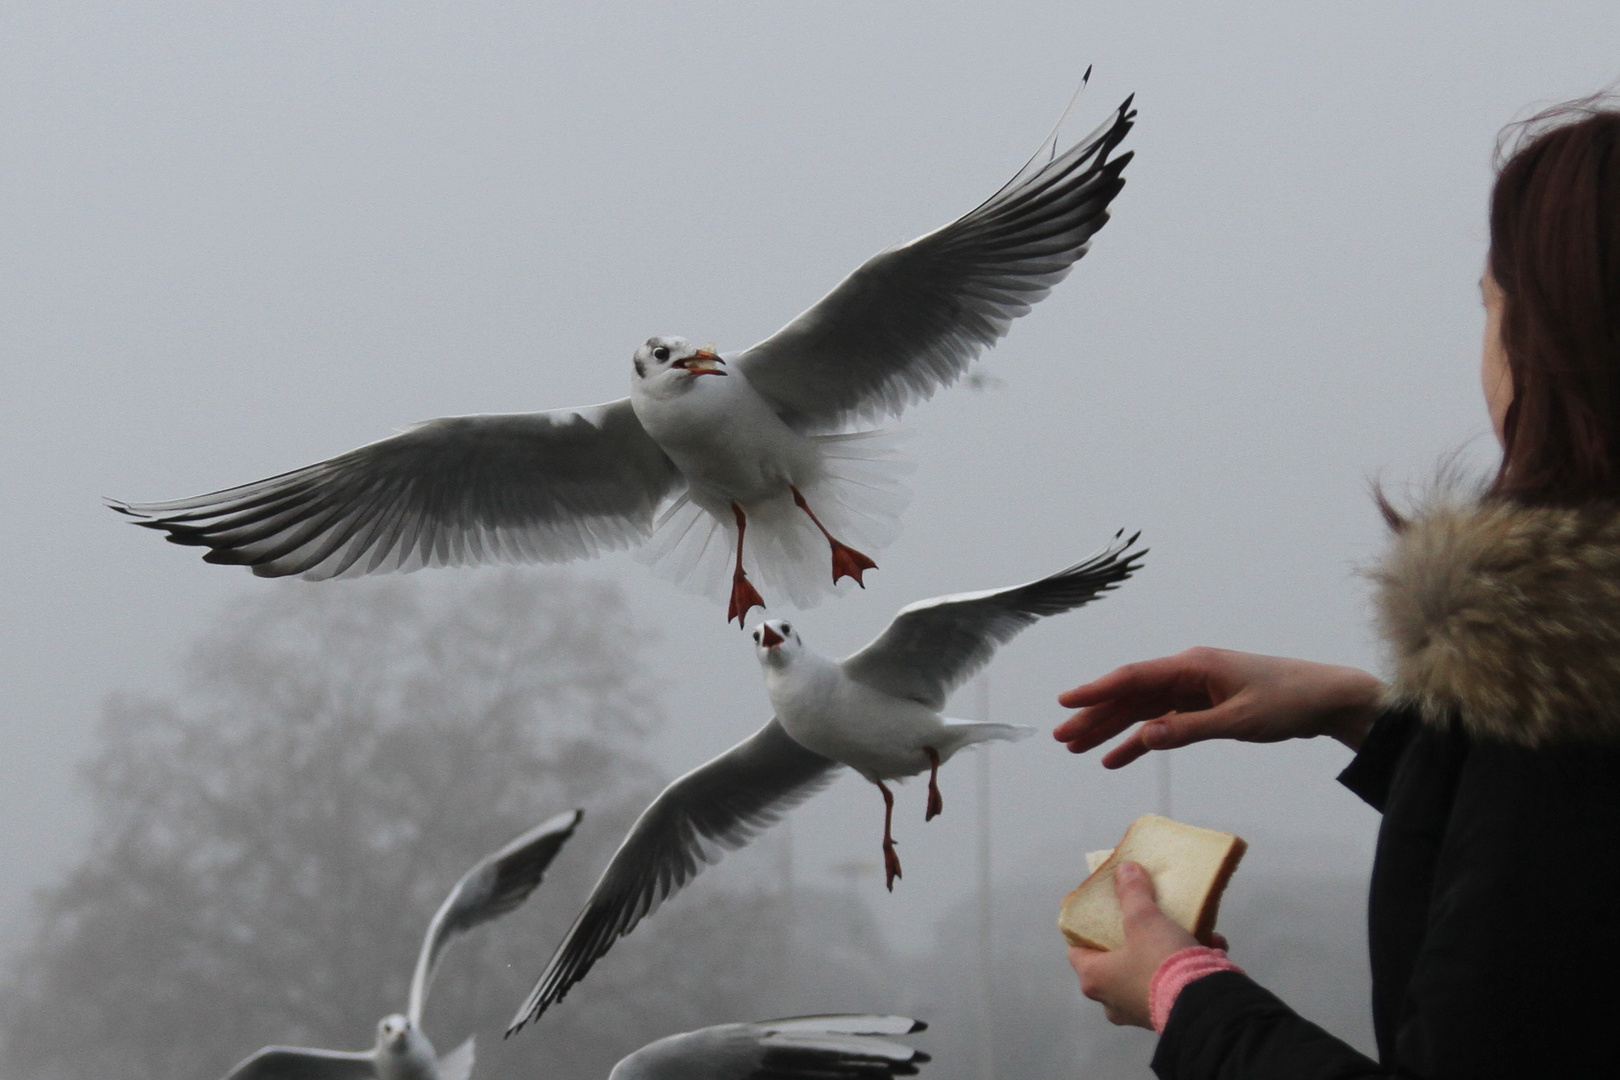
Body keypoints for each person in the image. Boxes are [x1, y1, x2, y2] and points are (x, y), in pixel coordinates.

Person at [1054, 99, 1620, 1078]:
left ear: (1557, 344)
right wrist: (1379, 719)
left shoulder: (1572, 698)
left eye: (1491, 303)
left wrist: (1179, 991)